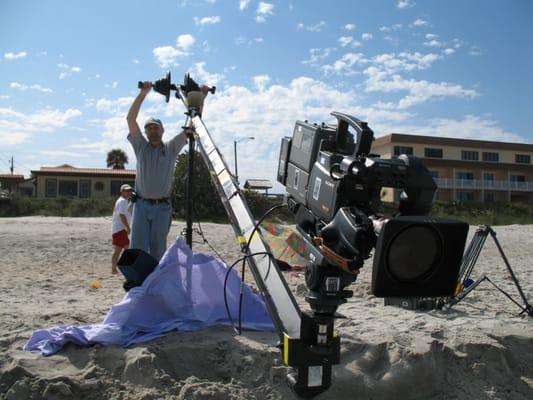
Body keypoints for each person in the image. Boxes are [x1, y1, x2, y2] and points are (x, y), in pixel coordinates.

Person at [126, 81, 208, 261]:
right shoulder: (140, 146)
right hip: (140, 206)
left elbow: (192, 125)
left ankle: (156, 284)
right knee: (137, 250)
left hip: (162, 208)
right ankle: (138, 284)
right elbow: (130, 119)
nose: (153, 131)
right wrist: (143, 93)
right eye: (149, 128)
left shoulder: (171, 147)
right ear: (145, 132)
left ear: (163, 130)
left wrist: (201, 98)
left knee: (158, 250)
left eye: (156, 127)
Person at [111, 184, 133, 274]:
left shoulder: (123, 201)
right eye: (126, 191)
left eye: (130, 190)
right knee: (121, 249)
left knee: (121, 249)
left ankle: (115, 268)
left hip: (119, 229)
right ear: (122, 191)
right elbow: (121, 215)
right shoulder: (123, 201)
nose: (128, 192)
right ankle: (115, 269)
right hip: (120, 229)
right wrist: (127, 227)